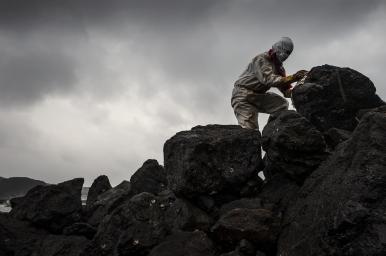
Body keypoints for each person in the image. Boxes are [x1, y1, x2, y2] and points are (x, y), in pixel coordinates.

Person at [231, 37, 307, 130]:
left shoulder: (279, 68)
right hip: (242, 95)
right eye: (285, 51)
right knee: (250, 131)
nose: (285, 55)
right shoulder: (261, 59)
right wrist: (294, 77)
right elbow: (269, 79)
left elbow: (286, 91)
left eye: (288, 53)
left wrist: (300, 89)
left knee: (281, 105)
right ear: (278, 48)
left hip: (258, 95)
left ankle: (272, 130)